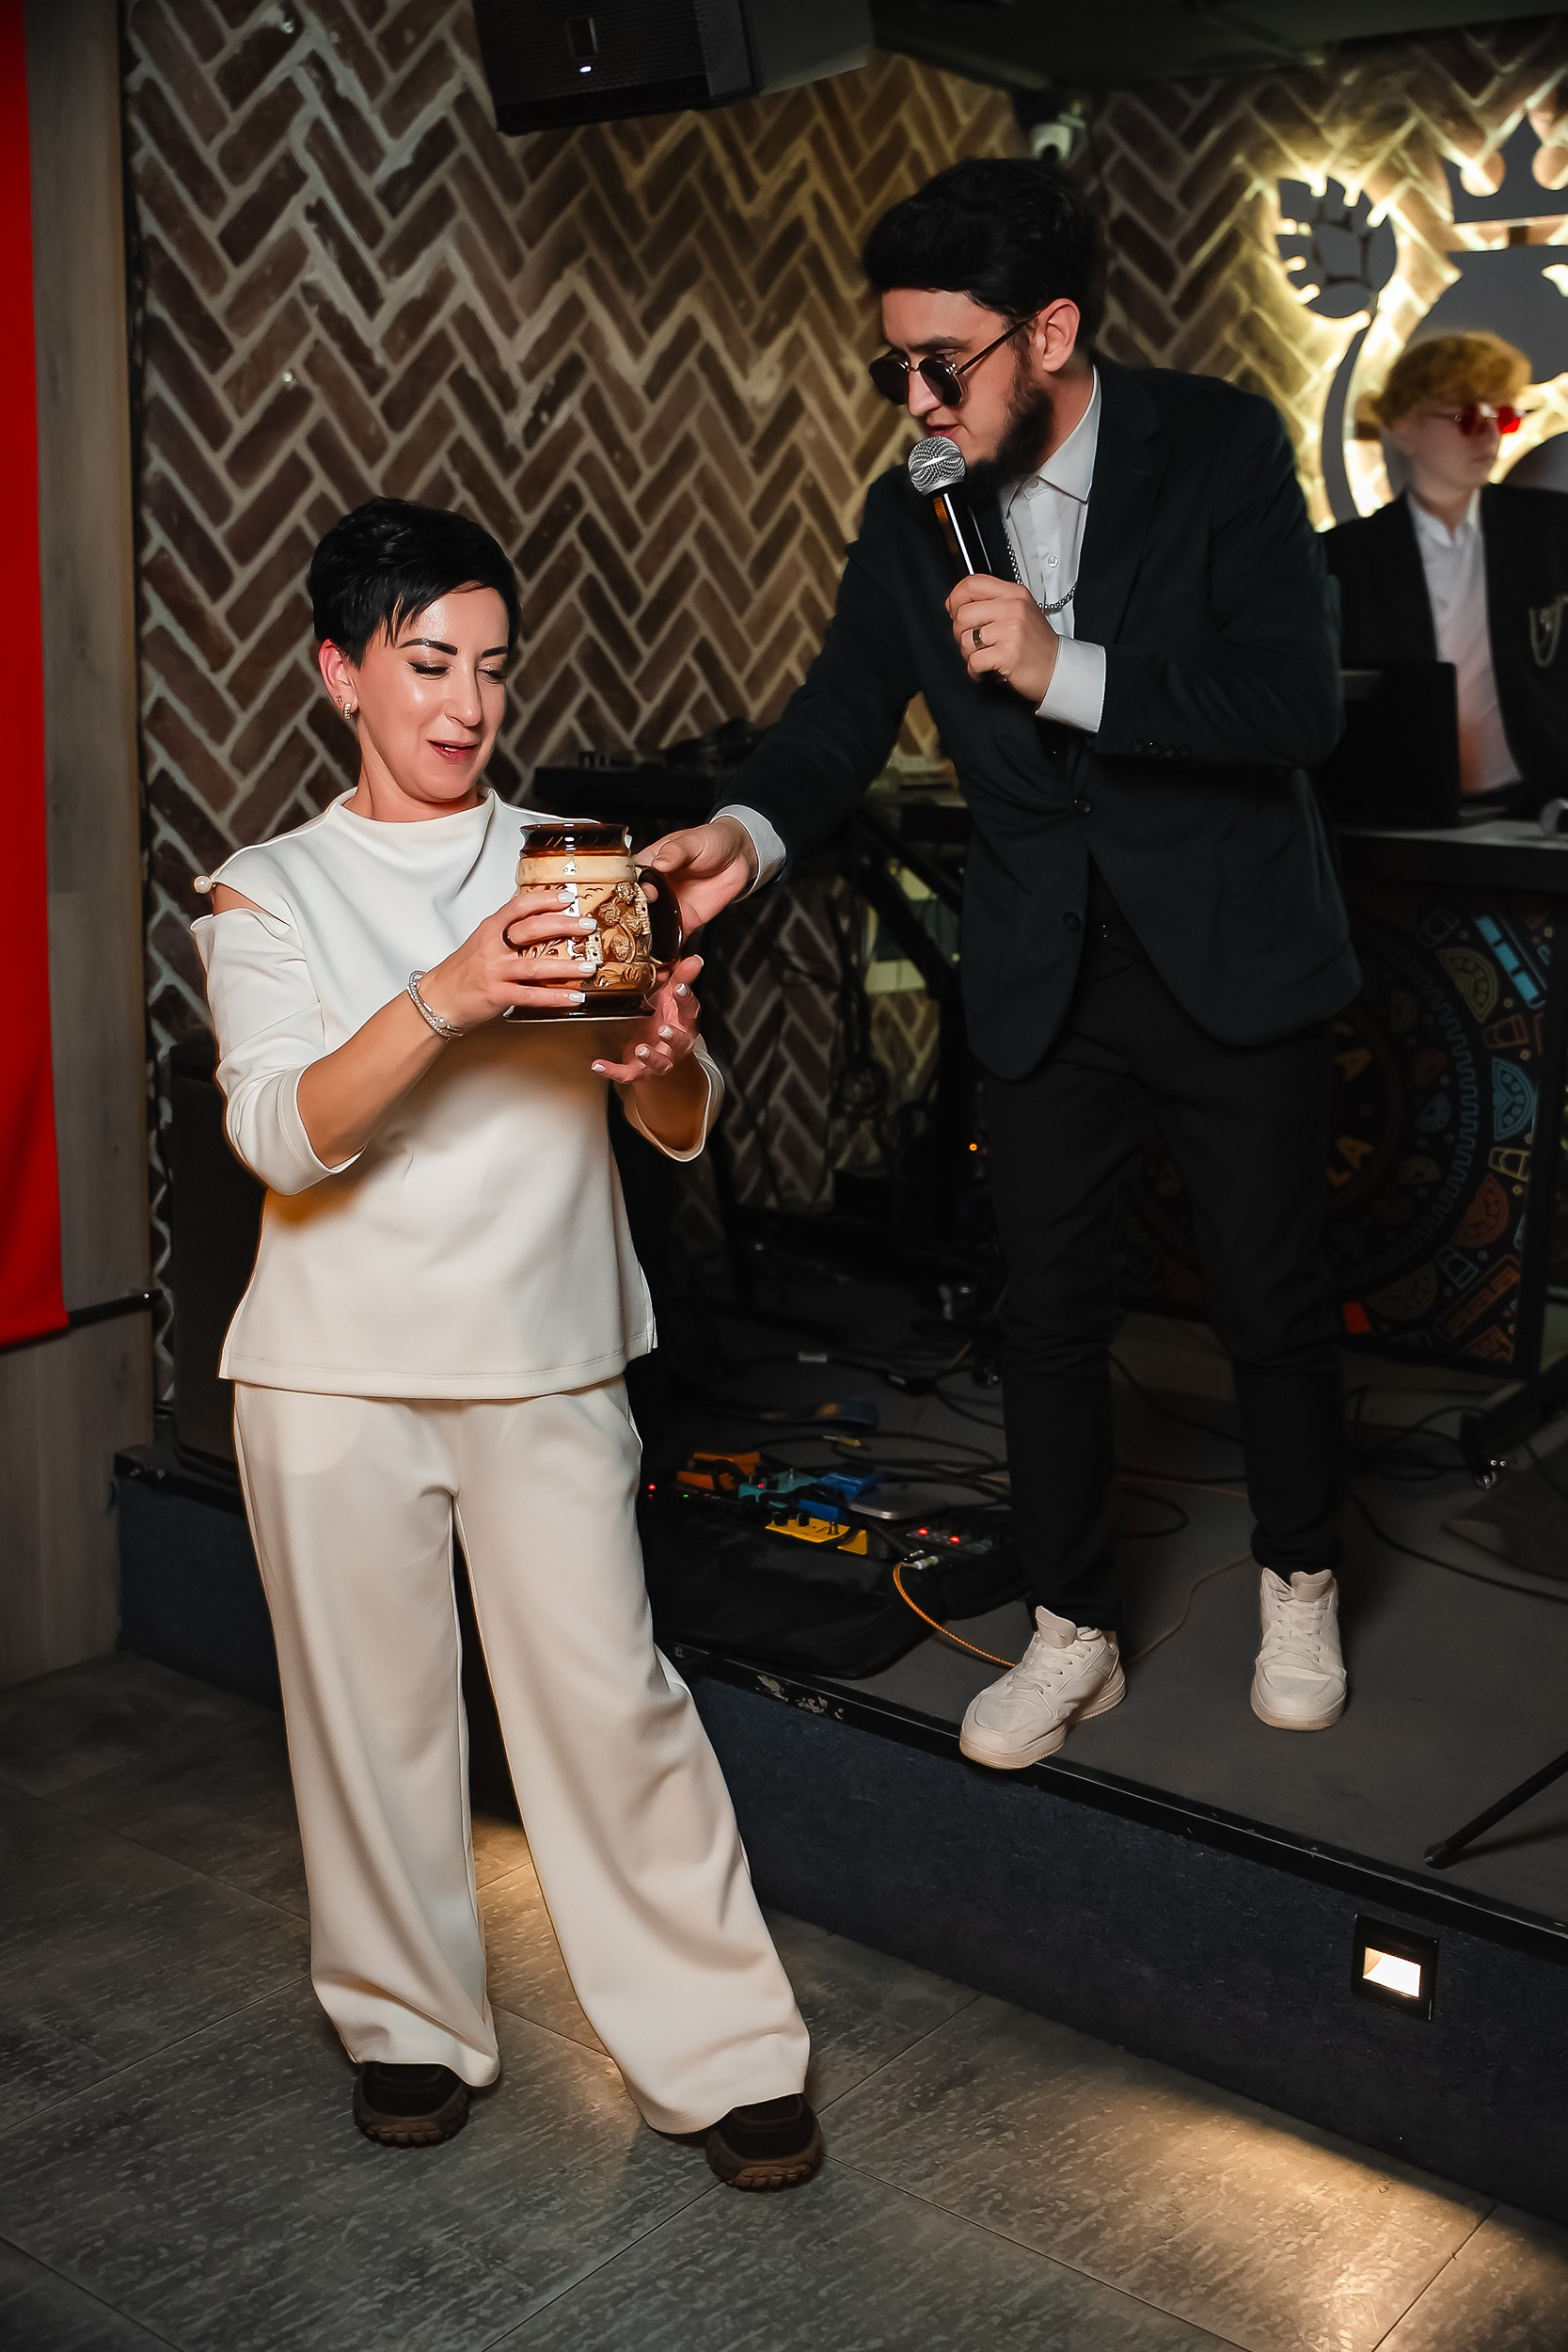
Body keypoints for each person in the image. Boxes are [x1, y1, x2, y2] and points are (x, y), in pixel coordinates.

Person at [642, 157, 1360, 1763]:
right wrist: (744, 832)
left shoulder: (1221, 445)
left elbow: (1292, 704)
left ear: (1048, 332)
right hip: (1045, 966)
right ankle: (1068, 1625)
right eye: (890, 369)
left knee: (1267, 1299)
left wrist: (1063, 668)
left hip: (1228, 947)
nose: (913, 401)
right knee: (1042, 1315)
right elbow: (840, 713)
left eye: (937, 364)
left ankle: (1300, 1575)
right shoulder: (908, 509)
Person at [191, 496, 820, 2188]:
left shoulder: (576, 859)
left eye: (488, 665)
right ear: (340, 673)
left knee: (612, 1707)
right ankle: (404, 2023)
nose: (465, 703)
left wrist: (664, 1064)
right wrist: (451, 996)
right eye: (425, 664)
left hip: (547, 1354)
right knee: (372, 1725)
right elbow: (281, 1136)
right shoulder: (267, 890)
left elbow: (675, 1119)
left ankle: (719, 2048)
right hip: (330, 1372)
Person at [1324, 331, 1568, 814]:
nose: (1490, 434)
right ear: (1404, 428)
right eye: (1467, 417)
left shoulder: (1552, 530)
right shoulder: (1344, 556)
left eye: (1503, 416)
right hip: (1397, 808)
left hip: (1537, 800)